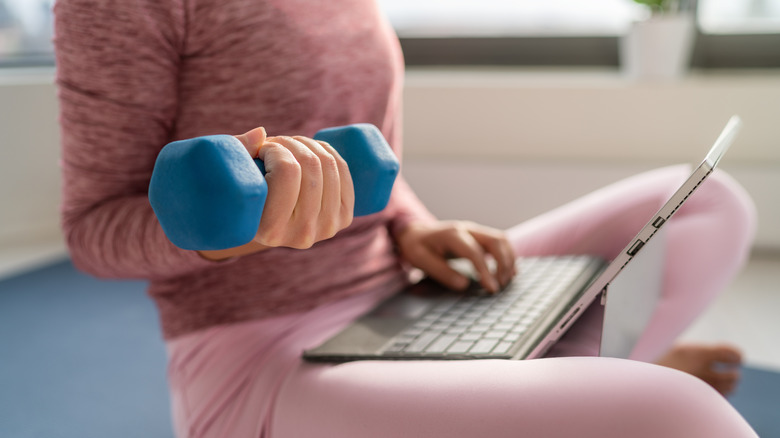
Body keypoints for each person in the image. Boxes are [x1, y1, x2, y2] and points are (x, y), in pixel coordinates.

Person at [53, 0, 757, 437]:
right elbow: (92, 232)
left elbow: (360, 156)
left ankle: (559, 378)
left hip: (402, 294)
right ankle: (588, 378)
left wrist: (410, 225)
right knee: (674, 414)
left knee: (710, 205)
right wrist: (234, 237)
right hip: (266, 357)